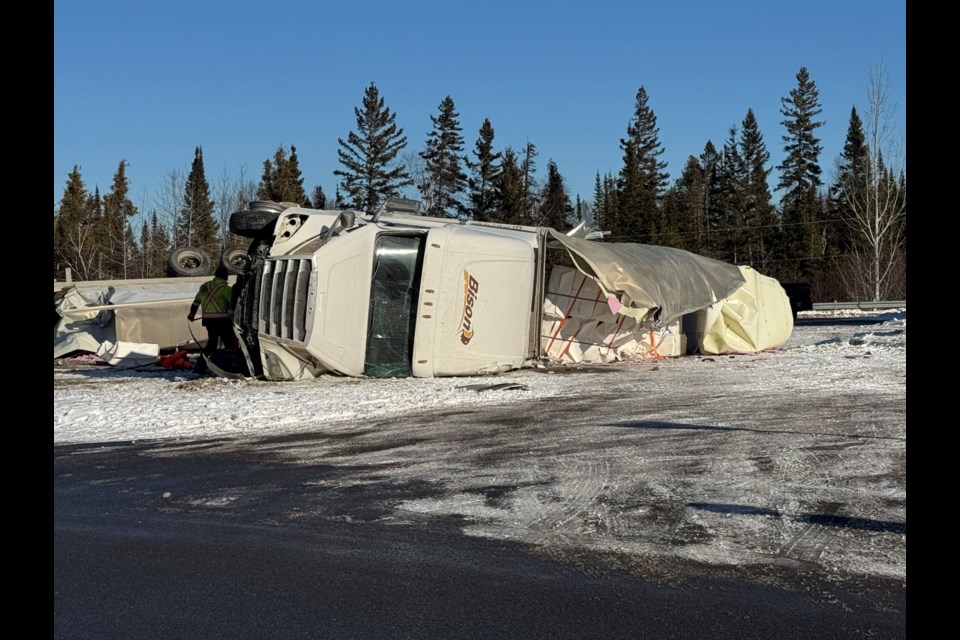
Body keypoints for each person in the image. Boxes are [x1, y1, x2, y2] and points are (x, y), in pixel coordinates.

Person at [187, 265, 239, 355]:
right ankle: (228, 362)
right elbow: (234, 303)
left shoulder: (204, 286)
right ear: (225, 276)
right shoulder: (226, 289)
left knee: (212, 343)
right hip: (222, 321)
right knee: (229, 343)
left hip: (208, 321)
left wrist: (192, 314)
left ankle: (202, 363)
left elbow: (196, 302)